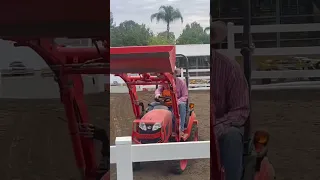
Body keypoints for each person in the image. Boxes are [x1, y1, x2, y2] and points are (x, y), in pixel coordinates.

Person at [211, 20, 250, 180]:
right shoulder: (187, 74)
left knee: (232, 136)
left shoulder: (230, 68)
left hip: (223, 125)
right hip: (204, 126)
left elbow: (240, 109)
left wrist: (218, 127)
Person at [150, 67, 188, 137]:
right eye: (169, 73)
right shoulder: (164, 83)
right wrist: (158, 95)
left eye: (172, 73)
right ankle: (150, 127)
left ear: (175, 74)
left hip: (177, 104)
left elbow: (185, 96)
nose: (171, 75)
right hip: (165, 104)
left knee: (182, 105)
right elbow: (158, 90)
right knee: (152, 105)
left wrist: (176, 102)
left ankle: (181, 129)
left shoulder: (181, 83)